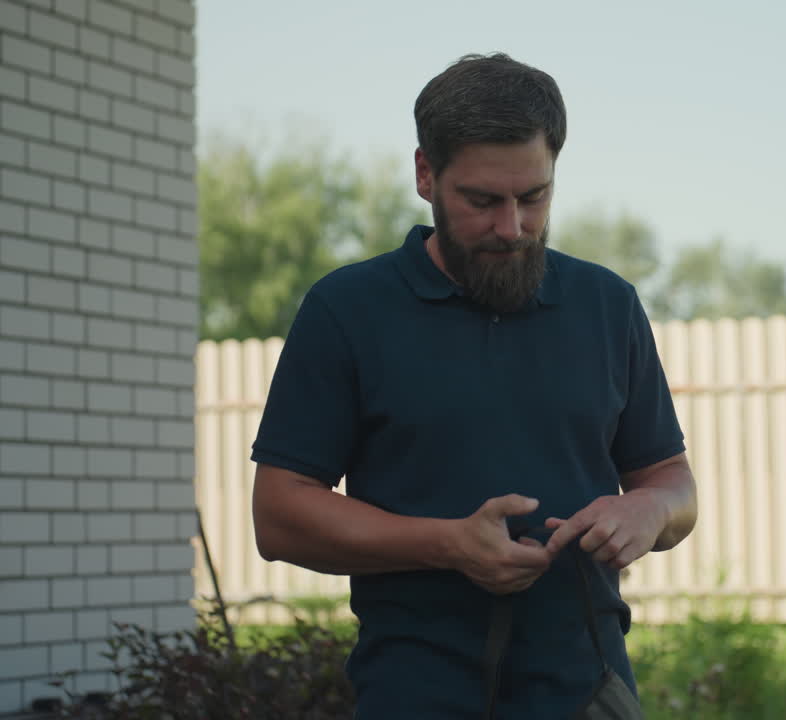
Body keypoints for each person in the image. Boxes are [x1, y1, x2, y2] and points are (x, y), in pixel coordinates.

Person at [249, 51, 697, 718]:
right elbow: (278, 515)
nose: (512, 228)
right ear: (426, 175)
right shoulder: (347, 310)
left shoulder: (608, 304)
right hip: (414, 691)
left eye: (534, 197)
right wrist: (448, 545)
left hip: (588, 690)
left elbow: (674, 485)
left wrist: (650, 512)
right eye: (483, 201)